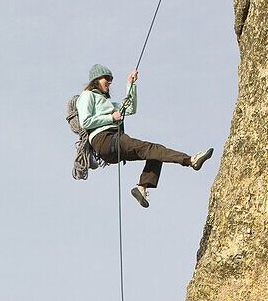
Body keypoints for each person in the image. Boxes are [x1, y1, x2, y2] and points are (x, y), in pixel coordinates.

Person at [76, 63, 214, 208]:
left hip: (111, 144)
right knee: (151, 149)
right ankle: (191, 160)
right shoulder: (88, 95)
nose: (110, 82)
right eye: (107, 78)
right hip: (104, 139)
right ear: (96, 79)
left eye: (111, 79)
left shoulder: (108, 104)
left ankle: (142, 187)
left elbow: (130, 109)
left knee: (155, 154)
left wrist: (130, 85)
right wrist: (111, 118)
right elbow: (85, 121)